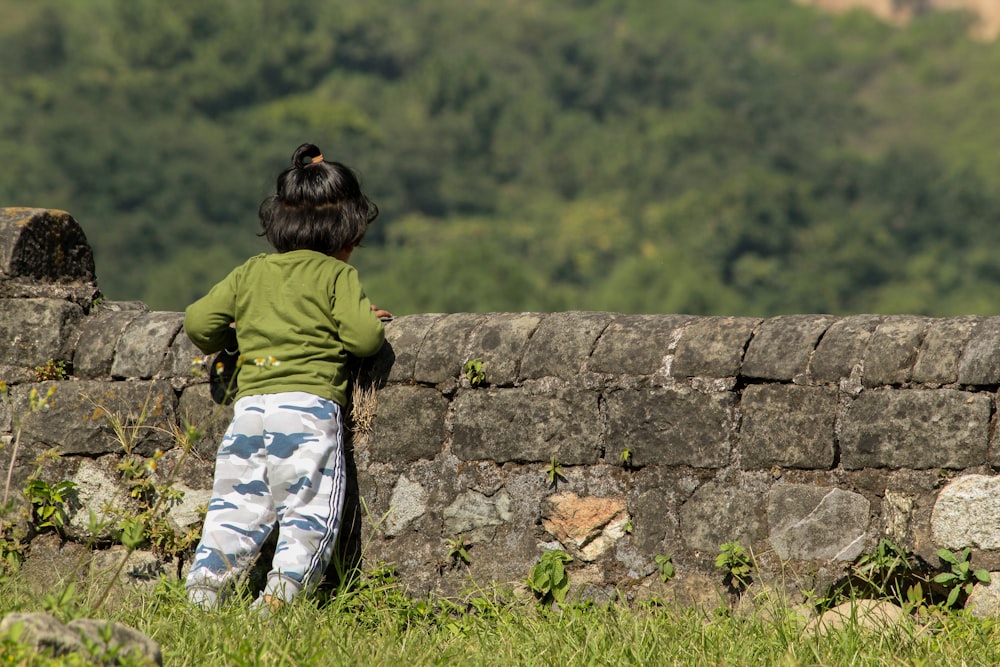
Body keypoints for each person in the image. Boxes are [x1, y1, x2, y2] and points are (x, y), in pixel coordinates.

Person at [183, 143, 390, 611]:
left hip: (251, 409)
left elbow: (198, 325)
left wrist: (237, 327)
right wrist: (367, 318)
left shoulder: (251, 273)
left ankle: (202, 596)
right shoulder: (336, 277)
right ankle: (279, 603)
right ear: (349, 234)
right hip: (308, 409)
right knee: (309, 512)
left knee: (234, 510)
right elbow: (363, 340)